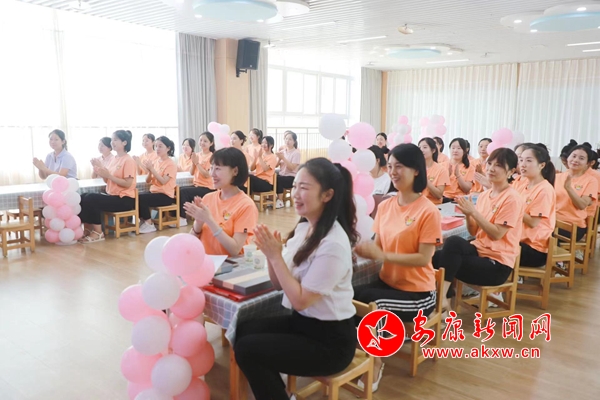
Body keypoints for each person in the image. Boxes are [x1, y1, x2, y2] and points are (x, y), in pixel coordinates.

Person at [234, 158, 358, 400]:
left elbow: (301, 301)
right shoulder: (304, 229)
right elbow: (278, 284)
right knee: (245, 329)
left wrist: (276, 256)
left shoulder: (333, 244)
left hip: (330, 342)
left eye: (304, 187)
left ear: (327, 195)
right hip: (303, 324)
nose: (295, 194)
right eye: (295, 186)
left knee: (249, 349)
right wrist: (271, 255)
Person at [354, 143, 442, 392]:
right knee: (351, 297)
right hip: (388, 283)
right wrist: (360, 250)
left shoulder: (428, 211)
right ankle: (358, 356)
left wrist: (381, 254)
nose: (393, 172)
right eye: (390, 166)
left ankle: (376, 363)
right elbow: (378, 247)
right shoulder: (385, 206)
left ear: (416, 170)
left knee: (375, 307)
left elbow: (423, 258)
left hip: (418, 294)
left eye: (399, 166)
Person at [433, 148, 524, 312]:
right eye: (490, 163)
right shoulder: (484, 195)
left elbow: (497, 234)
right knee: (437, 256)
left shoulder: (512, 198)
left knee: (447, 260)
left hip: (497, 264)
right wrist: (468, 214)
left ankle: (441, 300)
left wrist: (474, 212)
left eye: (498, 165)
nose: (491, 169)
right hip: (479, 251)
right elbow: (474, 232)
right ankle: (444, 299)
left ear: (511, 171)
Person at [184, 148, 258, 256]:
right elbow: (191, 243)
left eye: (218, 169)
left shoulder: (246, 205)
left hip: (230, 264)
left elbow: (235, 250)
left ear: (235, 171)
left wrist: (209, 220)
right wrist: (198, 223)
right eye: (211, 168)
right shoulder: (208, 198)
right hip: (206, 261)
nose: (212, 174)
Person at [78, 130, 137, 243]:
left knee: (91, 198)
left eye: (115, 140)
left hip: (124, 199)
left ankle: (98, 233)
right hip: (112, 195)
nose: (112, 142)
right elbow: (107, 180)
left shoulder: (128, 160)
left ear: (124, 142)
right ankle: (88, 230)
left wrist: (109, 175)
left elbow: (127, 183)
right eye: (112, 140)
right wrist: (101, 171)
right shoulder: (114, 159)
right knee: (84, 196)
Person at [516, 144, 556, 267]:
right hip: (518, 239)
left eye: (528, 161)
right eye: (521, 160)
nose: (522, 164)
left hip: (534, 248)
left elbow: (533, 222)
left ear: (541, 165)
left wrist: (513, 208)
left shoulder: (545, 190)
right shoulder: (524, 184)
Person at [554, 143, 598, 241]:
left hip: (573, 226)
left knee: (541, 235)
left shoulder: (591, 181)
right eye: (573, 156)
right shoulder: (557, 177)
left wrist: (568, 188)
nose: (575, 160)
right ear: (568, 158)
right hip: (553, 221)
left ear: (588, 163)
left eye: (581, 158)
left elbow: (582, 205)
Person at [137, 136, 178, 234]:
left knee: (141, 199)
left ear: (168, 148)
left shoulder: (171, 164)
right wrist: (150, 171)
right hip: (154, 192)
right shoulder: (155, 162)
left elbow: (163, 181)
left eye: (160, 146)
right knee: (136, 196)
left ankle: (149, 223)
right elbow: (148, 181)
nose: (157, 149)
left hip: (165, 195)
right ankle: (144, 220)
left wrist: (152, 169)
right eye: (156, 146)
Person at [179, 132, 216, 226]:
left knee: (183, 192)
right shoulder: (197, 155)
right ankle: (179, 215)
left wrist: (197, 163)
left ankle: (183, 218)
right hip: (197, 184)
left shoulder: (212, 156)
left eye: (205, 141)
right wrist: (194, 162)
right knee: (178, 189)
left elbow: (207, 175)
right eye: (201, 140)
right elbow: (191, 172)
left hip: (207, 187)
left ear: (211, 143)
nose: (202, 143)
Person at [418, 137, 450, 205]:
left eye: (425, 147)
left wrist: (425, 181)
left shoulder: (441, 170)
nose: (421, 150)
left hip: (433, 205)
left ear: (433, 150)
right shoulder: (414, 168)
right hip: (416, 204)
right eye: (419, 147)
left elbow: (439, 195)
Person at [442, 138, 474, 202]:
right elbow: (437, 186)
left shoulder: (470, 168)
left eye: (459, 148)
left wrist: (458, 176)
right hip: (443, 198)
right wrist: (447, 175)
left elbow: (467, 189)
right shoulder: (442, 165)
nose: (455, 150)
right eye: (453, 148)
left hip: (459, 200)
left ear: (465, 151)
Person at [276, 131, 301, 208]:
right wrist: (279, 158)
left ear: (294, 141)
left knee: (278, 180)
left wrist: (283, 158)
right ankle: (274, 199)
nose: (287, 141)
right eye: (286, 139)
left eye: (290, 139)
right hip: (282, 175)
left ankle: (280, 201)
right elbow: (276, 165)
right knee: (272, 177)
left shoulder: (296, 153)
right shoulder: (282, 152)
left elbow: (292, 168)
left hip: (291, 177)